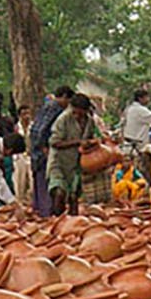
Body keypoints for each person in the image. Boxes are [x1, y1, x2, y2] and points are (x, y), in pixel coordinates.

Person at [45, 88, 97, 216]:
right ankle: (57, 221)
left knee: (74, 196)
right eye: (75, 113)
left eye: (80, 113)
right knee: (59, 192)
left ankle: (73, 222)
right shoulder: (63, 119)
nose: (77, 116)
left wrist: (91, 143)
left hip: (76, 164)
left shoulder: (89, 121)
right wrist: (78, 142)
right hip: (59, 162)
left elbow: (91, 137)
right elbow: (55, 142)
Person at [118, 84, 151, 163]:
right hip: (137, 146)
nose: (148, 100)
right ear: (140, 98)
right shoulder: (140, 110)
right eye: (146, 97)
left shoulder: (129, 109)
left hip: (127, 144)